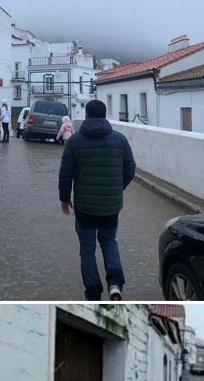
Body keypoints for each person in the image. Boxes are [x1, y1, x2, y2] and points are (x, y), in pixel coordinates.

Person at [58, 99, 135, 301]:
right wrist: (117, 189)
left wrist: (65, 200)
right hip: (111, 205)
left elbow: (65, 174)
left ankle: (93, 292)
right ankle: (115, 285)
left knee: (87, 249)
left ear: (86, 116)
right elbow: (130, 169)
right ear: (105, 115)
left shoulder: (74, 142)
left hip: (84, 207)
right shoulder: (120, 140)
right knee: (109, 241)